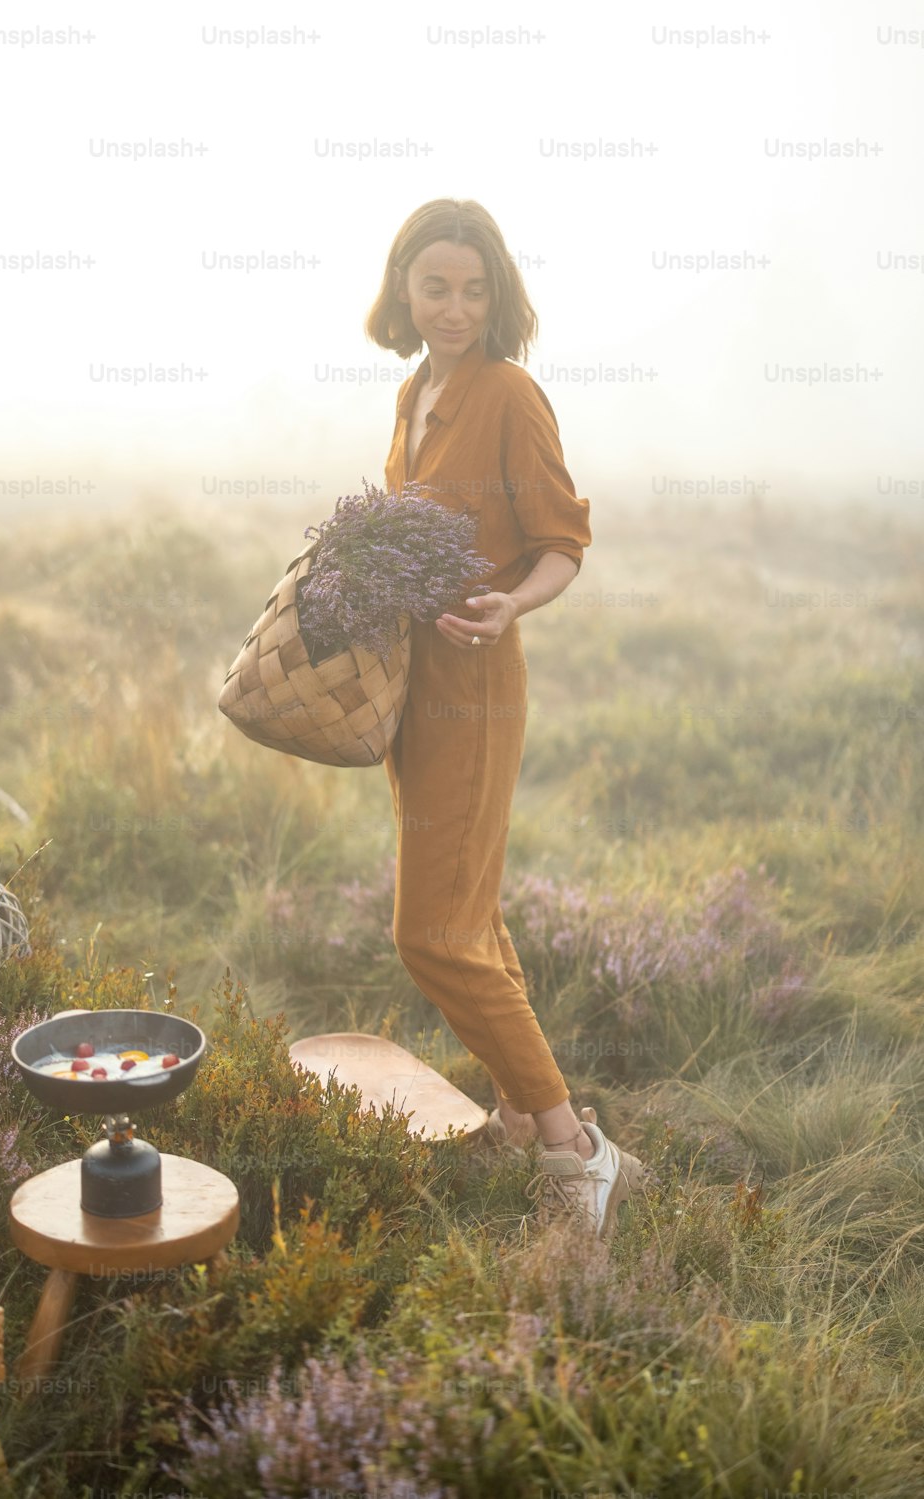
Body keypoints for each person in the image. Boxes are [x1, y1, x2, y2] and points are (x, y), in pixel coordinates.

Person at [365, 199, 645, 1240]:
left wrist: (514, 599)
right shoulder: (411, 392)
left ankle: (578, 1152)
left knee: (430, 931)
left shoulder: (509, 393)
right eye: (435, 285)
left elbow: (562, 540)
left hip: (476, 689)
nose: (454, 306)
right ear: (404, 287)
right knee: (469, 913)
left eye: (474, 289)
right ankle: (521, 1115)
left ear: (499, 295)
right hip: (410, 694)